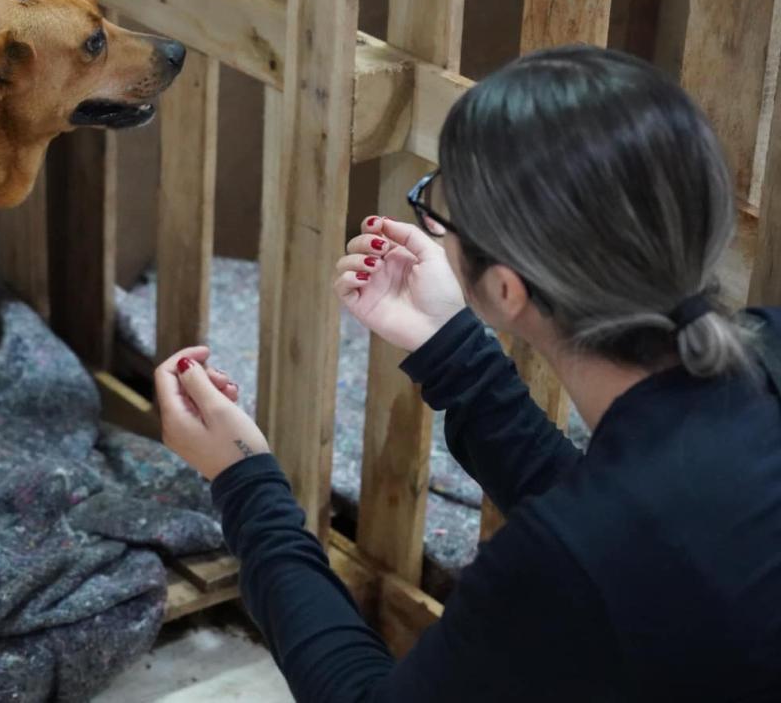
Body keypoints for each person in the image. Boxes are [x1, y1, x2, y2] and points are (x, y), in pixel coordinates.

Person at [154, 45, 781, 702]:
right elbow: (645, 531)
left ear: (507, 289)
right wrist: (455, 350)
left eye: (440, 209)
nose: (432, 225)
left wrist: (245, 480)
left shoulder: (555, 565)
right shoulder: (759, 361)